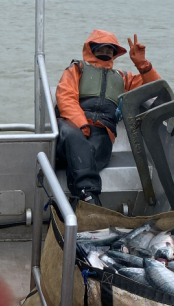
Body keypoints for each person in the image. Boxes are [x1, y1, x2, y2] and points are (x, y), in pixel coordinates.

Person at [55, 29, 161, 205]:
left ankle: (79, 202)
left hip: (103, 132)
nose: (105, 52)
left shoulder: (123, 78)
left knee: (89, 156)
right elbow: (65, 97)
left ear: (115, 53)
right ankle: (91, 198)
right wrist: (82, 125)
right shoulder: (76, 68)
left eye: (109, 49)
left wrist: (143, 64)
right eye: (101, 48)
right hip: (71, 126)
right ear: (91, 49)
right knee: (76, 141)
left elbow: (156, 88)